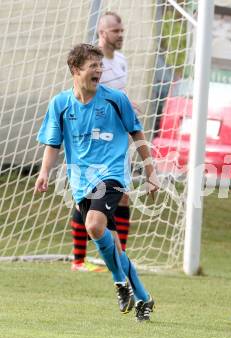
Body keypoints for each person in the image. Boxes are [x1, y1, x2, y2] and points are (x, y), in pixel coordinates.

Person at [35, 43, 158, 321]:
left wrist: (151, 172)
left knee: (93, 224)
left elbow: (137, 134)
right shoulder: (60, 104)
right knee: (112, 243)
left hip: (112, 174)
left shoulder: (116, 99)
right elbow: (52, 143)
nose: (99, 71)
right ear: (76, 70)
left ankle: (119, 282)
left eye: (100, 66)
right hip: (80, 182)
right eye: (93, 66)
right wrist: (44, 172)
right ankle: (143, 297)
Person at [70, 11, 133, 272]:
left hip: (116, 139)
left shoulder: (121, 61)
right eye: (116, 31)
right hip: (93, 141)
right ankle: (78, 260)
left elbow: (120, 96)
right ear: (102, 32)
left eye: (122, 30)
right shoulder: (91, 63)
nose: (121, 35)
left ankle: (120, 257)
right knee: (83, 196)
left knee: (124, 197)